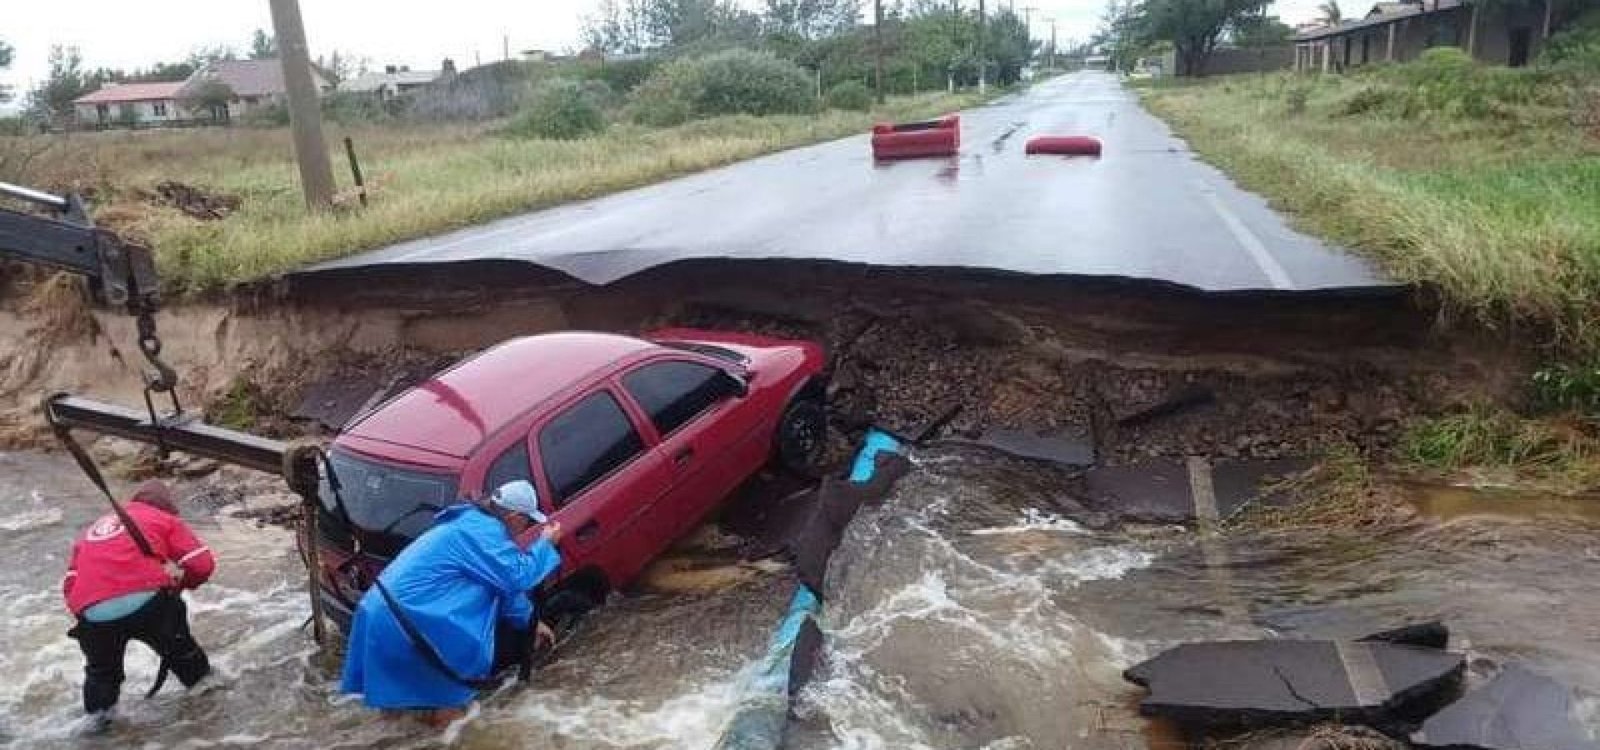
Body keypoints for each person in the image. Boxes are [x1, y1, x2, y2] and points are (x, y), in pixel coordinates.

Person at [340, 480, 563, 725]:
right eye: (528, 522)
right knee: (450, 708)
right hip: (408, 623)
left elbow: (500, 589)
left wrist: (531, 621)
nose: (526, 529)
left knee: (396, 708)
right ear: (514, 517)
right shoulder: (483, 532)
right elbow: (516, 577)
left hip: (376, 614)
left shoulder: (464, 523)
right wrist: (545, 544)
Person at [62, 479, 215, 723]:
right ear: (168, 507)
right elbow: (201, 564)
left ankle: (97, 731)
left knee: (101, 676)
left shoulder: (93, 528)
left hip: (92, 613)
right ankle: (211, 713)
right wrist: (182, 585)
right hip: (148, 602)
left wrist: (90, 612)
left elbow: (70, 585)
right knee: (186, 658)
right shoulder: (165, 519)